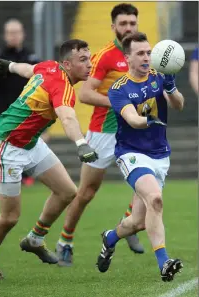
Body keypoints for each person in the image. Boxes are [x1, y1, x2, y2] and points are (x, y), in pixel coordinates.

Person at [0, 39, 98, 280]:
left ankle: (35, 238)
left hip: (30, 142)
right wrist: (81, 143)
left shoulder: (48, 66)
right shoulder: (62, 85)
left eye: (89, 58)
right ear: (67, 64)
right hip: (6, 146)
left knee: (67, 192)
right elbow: (67, 117)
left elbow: (27, 69)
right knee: (10, 217)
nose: (89, 65)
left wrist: (10, 66)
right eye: (82, 60)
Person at [55, 3, 144, 267]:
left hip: (132, 132)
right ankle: (65, 240)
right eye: (123, 23)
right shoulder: (105, 56)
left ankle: (126, 226)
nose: (128, 27)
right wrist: (119, 103)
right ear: (114, 26)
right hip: (102, 133)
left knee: (147, 183)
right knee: (86, 192)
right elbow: (84, 94)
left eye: (132, 23)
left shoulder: (142, 54)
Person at [96, 32, 184, 282]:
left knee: (137, 222)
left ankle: (110, 238)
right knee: (155, 199)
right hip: (132, 154)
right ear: (127, 58)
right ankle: (164, 262)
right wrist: (150, 119)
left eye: (149, 52)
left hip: (159, 155)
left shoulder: (159, 75)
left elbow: (178, 104)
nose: (146, 57)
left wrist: (172, 88)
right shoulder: (119, 89)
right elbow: (133, 120)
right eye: (140, 54)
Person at [0, 18, 41, 186]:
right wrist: (2, 112)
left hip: (30, 111)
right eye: (10, 33)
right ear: (5, 36)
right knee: (11, 145)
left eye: (17, 32)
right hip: (9, 112)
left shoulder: (31, 56)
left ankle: (28, 174)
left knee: (29, 142)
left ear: (23, 34)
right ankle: (13, 175)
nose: (14, 36)